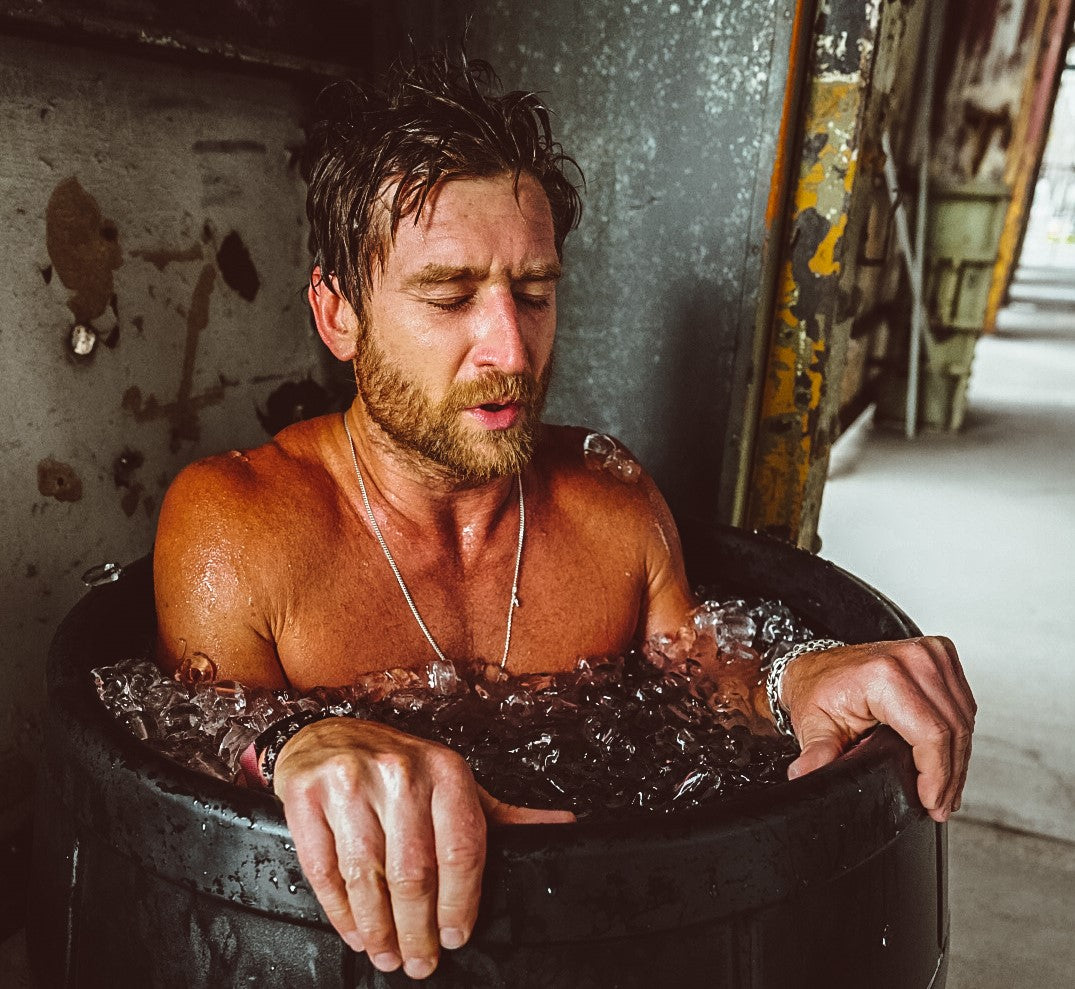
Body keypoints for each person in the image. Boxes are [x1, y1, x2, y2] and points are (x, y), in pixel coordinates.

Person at [153, 53, 975, 981]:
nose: (509, 349)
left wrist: (798, 673)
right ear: (337, 314)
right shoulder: (239, 528)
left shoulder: (609, 501)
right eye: (450, 296)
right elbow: (195, 749)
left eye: (534, 293)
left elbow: (699, 668)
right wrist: (289, 742)